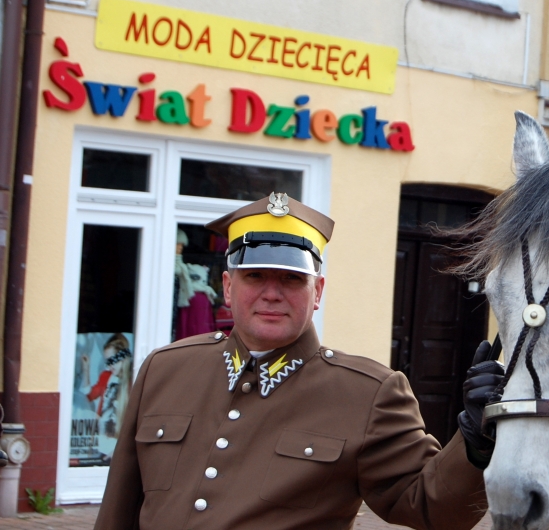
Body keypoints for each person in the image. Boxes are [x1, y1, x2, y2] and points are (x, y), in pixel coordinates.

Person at [96, 192, 501, 529]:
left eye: (292, 279)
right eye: (255, 276)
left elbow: (431, 507)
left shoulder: (368, 394)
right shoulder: (165, 370)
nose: (272, 293)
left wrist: (475, 442)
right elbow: (119, 508)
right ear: (228, 287)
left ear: (317, 291)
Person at [80, 333, 133, 462]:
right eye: (107, 362)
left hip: (118, 442)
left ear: (122, 357)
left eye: (112, 361)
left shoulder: (131, 382)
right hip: (102, 438)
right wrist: (86, 369)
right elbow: (90, 395)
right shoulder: (106, 376)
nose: (109, 366)